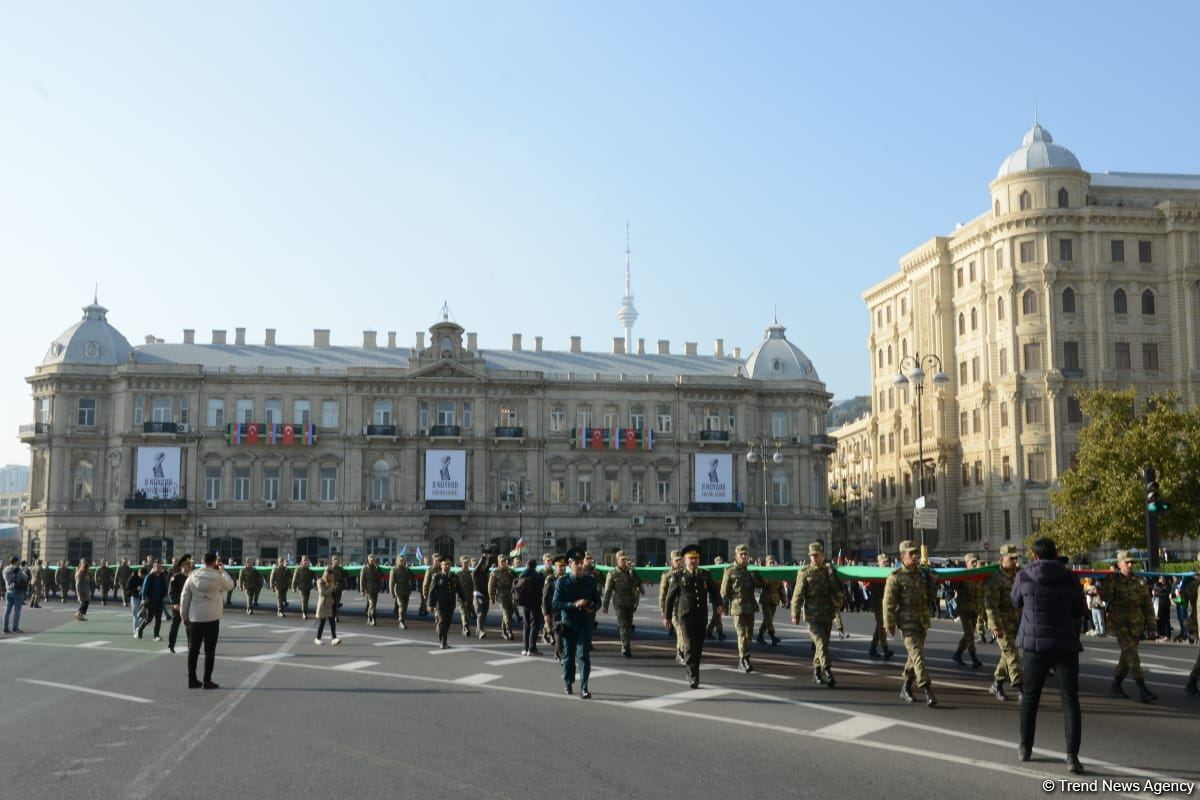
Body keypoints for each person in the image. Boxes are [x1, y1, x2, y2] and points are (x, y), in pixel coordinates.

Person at [1011, 537, 1085, 775]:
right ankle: (1072, 757)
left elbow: (1015, 601)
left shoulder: (1024, 576)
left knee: (1030, 698)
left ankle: (1025, 747)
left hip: (1034, 646)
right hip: (1065, 645)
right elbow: (1079, 610)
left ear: (1034, 556)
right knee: (1070, 700)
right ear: (1056, 554)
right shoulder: (1070, 577)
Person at [883, 540, 937, 706]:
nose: (915, 557)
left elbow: (930, 597)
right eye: (911, 554)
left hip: (922, 620)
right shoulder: (896, 577)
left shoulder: (922, 574)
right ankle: (927, 689)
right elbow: (888, 603)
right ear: (902, 557)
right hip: (907, 622)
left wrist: (932, 582)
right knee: (917, 655)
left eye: (916, 553)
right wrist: (889, 624)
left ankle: (905, 687)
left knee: (913, 658)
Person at [664, 543, 724, 689]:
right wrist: (667, 617)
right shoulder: (678, 576)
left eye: (696, 558)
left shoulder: (705, 574)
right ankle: (693, 675)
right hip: (685, 616)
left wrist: (719, 604)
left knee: (698, 647)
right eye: (691, 558)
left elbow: (714, 591)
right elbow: (670, 598)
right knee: (690, 646)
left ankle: (692, 671)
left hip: (701, 616)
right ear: (685, 560)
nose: (693, 561)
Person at [1100, 550, 1157, 702]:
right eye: (1127, 562)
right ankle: (1142, 689)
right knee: (1132, 656)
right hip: (1121, 625)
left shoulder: (1139, 582)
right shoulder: (1113, 580)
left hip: (1136, 625)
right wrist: (1108, 582)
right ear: (1119, 564)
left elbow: (1147, 605)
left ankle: (1115, 685)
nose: (1131, 565)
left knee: (1126, 658)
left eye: (1132, 562)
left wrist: (1152, 625)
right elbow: (1105, 597)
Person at [180, 552, 235, 689]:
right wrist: (223, 571)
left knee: (193, 650)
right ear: (214, 562)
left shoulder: (192, 576)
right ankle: (207, 680)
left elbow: (184, 597)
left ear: (202, 561)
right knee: (210, 651)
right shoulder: (218, 576)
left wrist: (184, 615)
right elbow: (230, 585)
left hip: (195, 617)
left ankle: (192, 679)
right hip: (212, 617)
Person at [552, 547, 602, 698]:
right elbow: (555, 604)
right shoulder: (562, 582)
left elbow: (598, 601)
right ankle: (568, 682)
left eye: (581, 563)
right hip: (568, 624)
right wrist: (573, 605)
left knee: (583, 656)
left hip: (585, 624)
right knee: (568, 656)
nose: (580, 566)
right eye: (577, 563)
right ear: (570, 564)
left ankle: (584, 688)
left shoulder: (590, 581)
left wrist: (592, 606)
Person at [984, 544, 1024, 701]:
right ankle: (1020, 688)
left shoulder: (1018, 575)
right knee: (1012, 655)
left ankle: (997, 684)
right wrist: (995, 627)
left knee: (1006, 656)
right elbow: (990, 606)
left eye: (1016, 558)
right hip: (1001, 624)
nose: (1015, 561)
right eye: (1011, 558)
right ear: (1001, 559)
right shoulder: (995, 579)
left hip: (1015, 622)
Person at [721, 544, 764, 672]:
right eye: (741, 554)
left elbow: (761, 585)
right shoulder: (729, 571)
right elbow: (724, 591)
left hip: (750, 606)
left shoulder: (751, 570)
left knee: (749, 634)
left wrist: (755, 573)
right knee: (741, 634)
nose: (744, 557)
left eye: (746, 554)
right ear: (736, 555)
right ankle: (743, 658)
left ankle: (746, 656)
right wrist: (724, 606)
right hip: (737, 607)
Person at [603, 550, 644, 658]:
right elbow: (608, 590)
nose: (624, 561)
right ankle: (625, 646)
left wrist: (632, 572)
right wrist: (605, 605)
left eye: (625, 559)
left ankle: (626, 643)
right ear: (617, 561)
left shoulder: (630, 572)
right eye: (622, 560)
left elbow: (638, 583)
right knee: (623, 625)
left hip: (630, 602)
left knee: (629, 625)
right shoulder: (612, 573)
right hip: (619, 602)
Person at [952, 553, 984, 669]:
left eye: (976, 561)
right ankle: (974, 658)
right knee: (969, 634)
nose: (975, 564)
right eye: (972, 562)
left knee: (968, 634)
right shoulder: (962, 576)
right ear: (966, 563)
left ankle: (958, 654)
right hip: (964, 609)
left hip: (975, 609)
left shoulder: (979, 576)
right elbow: (953, 587)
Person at [427, 557, 460, 649]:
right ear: (441, 566)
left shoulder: (453, 576)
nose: (447, 566)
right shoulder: (437, 577)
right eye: (445, 564)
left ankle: (445, 641)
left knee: (448, 623)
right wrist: (430, 604)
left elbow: (459, 589)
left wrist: (464, 599)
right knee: (442, 622)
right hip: (440, 604)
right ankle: (441, 641)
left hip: (451, 604)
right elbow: (432, 591)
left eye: (449, 564)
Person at [514, 558, 544, 656]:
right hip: (535, 603)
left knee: (526, 625)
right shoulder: (538, 576)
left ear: (526, 565)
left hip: (524, 603)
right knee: (534, 625)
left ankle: (525, 648)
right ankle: (532, 648)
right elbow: (541, 586)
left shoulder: (521, 575)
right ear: (535, 566)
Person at [659, 549, 684, 664]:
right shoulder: (667, 575)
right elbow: (663, 595)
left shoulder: (685, 573)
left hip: (683, 607)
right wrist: (664, 613)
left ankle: (682, 651)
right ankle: (680, 652)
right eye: (676, 560)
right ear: (671, 562)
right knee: (680, 630)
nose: (679, 562)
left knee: (685, 630)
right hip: (673, 608)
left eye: (680, 560)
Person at [868, 553, 894, 659]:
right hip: (878, 603)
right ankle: (885, 649)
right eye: (884, 561)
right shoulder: (875, 573)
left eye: (887, 561)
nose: (886, 563)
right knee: (882, 625)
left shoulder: (888, 573)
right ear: (879, 562)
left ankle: (872, 648)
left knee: (879, 626)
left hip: (886, 603)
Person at [487, 553, 517, 640]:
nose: (504, 563)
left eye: (505, 561)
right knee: (505, 613)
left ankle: (503, 631)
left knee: (509, 614)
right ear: (499, 562)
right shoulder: (495, 573)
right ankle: (509, 631)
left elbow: (515, 581)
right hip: (501, 595)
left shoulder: (509, 571)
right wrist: (491, 597)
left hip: (509, 595)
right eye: (502, 561)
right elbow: (491, 586)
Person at [542, 554, 566, 660]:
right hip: (554, 610)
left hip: (565, 609)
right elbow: (545, 597)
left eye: (564, 566)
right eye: (560, 566)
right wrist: (546, 614)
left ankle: (557, 652)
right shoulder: (550, 579)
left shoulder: (567, 578)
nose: (562, 568)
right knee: (558, 632)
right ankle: (560, 654)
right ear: (555, 567)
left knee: (564, 632)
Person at [167, 554, 192, 653]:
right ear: (182, 566)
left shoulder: (192, 578)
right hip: (178, 606)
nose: (188, 567)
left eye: (189, 565)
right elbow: (171, 592)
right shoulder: (176, 578)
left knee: (190, 628)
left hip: (189, 607)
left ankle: (191, 646)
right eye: (186, 565)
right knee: (174, 627)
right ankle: (171, 646)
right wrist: (174, 603)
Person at [138, 559, 168, 641]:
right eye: (157, 566)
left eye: (160, 566)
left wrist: (165, 594)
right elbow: (144, 588)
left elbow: (165, 586)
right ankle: (140, 629)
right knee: (149, 619)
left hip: (159, 601)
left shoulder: (162, 576)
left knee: (158, 619)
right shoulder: (149, 576)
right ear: (154, 567)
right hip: (150, 601)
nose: (159, 568)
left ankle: (156, 635)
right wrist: (143, 599)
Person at [756, 556, 784, 646]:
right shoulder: (763, 573)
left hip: (774, 600)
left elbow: (781, 588)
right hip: (766, 600)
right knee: (769, 618)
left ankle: (760, 635)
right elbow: (760, 584)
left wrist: (784, 600)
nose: (772, 564)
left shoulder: (777, 574)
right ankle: (772, 636)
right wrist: (765, 577)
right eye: (770, 563)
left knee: (768, 619)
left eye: (773, 562)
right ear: (766, 564)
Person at [313, 568, 341, 645]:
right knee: (322, 622)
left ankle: (334, 638)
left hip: (331, 605)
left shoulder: (332, 582)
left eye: (332, 575)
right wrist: (332, 587)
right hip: (324, 605)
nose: (332, 577)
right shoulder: (320, 582)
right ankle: (317, 638)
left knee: (332, 622)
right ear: (327, 575)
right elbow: (323, 593)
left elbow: (333, 593)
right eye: (330, 575)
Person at [3, 556, 29, 633]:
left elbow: (5, 579)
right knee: (17, 610)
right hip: (17, 591)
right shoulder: (18, 570)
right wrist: (24, 571)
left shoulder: (5, 569)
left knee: (7, 610)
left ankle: (5, 627)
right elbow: (25, 578)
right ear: (16, 561)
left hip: (8, 591)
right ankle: (15, 627)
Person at [472, 551, 494, 638]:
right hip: (478, 595)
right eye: (481, 566)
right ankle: (481, 631)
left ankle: (479, 628)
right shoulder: (475, 573)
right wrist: (483, 557)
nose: (483, 566)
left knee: (484, 614)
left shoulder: (484, 573)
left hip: (485, 596)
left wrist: (490, 557)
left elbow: (488, 565)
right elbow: (479, 566)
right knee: (480, 613)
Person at [706, 554, 727, 641]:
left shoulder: (723, 572)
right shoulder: (712, 573)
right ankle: (713, 632)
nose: (720, 565)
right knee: (717, 615)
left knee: (717, 615)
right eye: (719, 563)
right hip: (715, 596)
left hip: (720, 596)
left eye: (721, 563)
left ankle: (716, 632)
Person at [389, 554, 412, 628]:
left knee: (405, 607)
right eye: (401, 561)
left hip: (406, 590)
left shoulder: (406, 569)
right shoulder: (394, 570)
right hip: (399, 590)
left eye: (403, 560)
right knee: (401, 605)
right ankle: (401, 621)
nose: (402, 562)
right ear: (397, 561)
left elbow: (411, 578)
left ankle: (402, 619)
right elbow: (391, 582)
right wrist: (392, 592)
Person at [359, 554, 383, 626]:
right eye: (371, 560)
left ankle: (369, 617)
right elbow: (362, 580)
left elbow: (381, 576)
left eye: (373, 560)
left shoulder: (376, 568)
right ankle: (373, 618)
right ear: (368, 560)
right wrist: (362, 590)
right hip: (368, 589)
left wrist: (378, 568)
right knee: (372, 604)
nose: (372, 561)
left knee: (373, 605)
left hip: (375, 589)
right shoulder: (365, 569)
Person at [291, 556, 314, 620]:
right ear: (302, 561)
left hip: (308, 587)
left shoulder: (309, 570)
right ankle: (304, 613)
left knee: (306, 600)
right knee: (304, 600)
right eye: (304, 560)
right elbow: (294, 579)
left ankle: (305, 611)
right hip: (301, 587)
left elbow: (313, 577)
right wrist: (293, 587)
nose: (306, 562)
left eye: (307, 560)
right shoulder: (298, 569)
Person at [456, 556, 474, 636]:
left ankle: (465, 627)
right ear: (461, 563)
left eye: (467, 563)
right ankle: (465, 627)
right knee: (464, 612)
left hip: (470, 597)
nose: (466, 564)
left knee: (468, 613)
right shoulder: (458, 574)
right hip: (461, 597)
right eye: (465, 563)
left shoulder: (471, 573)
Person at [127, 564, 147, 634]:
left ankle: (139, 629)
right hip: (134, 597)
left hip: (142, 599)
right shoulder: (133, 577)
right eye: (142, 575)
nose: (143, 577)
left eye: (144, 576)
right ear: (139, 573)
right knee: (136, 615)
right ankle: (136, 631)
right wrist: (136, 588)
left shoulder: (145, 578)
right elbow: (128, 587)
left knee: (143, 616)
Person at [328, 556, 347, 622]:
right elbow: (326, 578)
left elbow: (345, 576)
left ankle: (336, 615)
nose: (336, 561)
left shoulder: (341, 569)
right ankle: (333, 615)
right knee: (332, 602)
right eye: (334, 560)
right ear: (332, 561)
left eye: (337, 560)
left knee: (337, 602)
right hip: (331, 588)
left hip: (338, 588)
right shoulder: (329, 569)